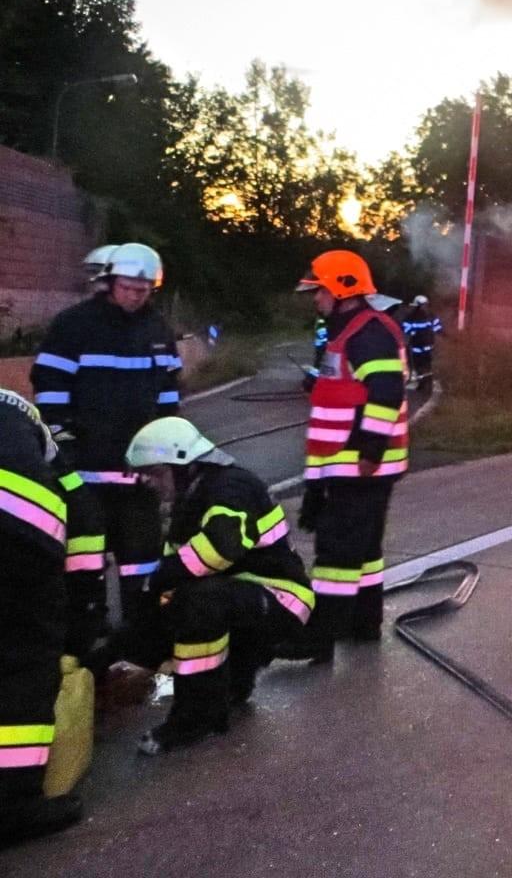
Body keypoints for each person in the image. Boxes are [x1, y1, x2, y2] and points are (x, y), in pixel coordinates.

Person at [90, 418, 313, 754]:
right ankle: (232, 686)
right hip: (242, 599)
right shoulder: (189, 502)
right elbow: (167, 590)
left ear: (184, 464)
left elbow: (220, 548)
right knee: (182, 605)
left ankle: (196, 719)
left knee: (200, 603)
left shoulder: (232, 487)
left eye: (156, 472)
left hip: (282, 599)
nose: (149, 483)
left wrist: (158, 581)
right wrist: (116, 651)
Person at [30, 242, 179, 626]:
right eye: (128, 287)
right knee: (83, 562)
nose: (135, 295)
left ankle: (140, 637)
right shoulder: (74, 326)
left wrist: (164, 457)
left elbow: (167, 398)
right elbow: (49, 388)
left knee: (143, 561)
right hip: (86, 476)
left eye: (143, 290)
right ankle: (85, 634)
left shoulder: (158, 330)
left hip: (137, 475)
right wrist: (62, 441)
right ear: (110, 282)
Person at [284, 250, 408, 662]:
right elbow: (350, 389)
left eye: (318, 291)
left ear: (340, 288)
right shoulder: (349, 330)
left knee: (336, 551)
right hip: (350, 463)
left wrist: (370, 450)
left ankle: (319, 638)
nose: (314, 299)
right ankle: (363, 625)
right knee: (365, 550)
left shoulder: (367, 332)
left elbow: (386, 391)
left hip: (361, 464)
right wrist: (316, 386)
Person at [0, 390, 86, 845]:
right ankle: (14, 806)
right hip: (18, 536)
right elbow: (80, 514)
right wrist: (85, 616)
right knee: (24, 661)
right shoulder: (25, 414)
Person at [402, 295, 443, 395]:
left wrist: (412, 333)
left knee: (419, 365)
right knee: (427, 364)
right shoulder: (431, 316)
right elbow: (438, 329)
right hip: (428, 345)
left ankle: (423, 384)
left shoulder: (410, 317)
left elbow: (406, 330)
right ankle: (426, 384)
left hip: (417, 346)